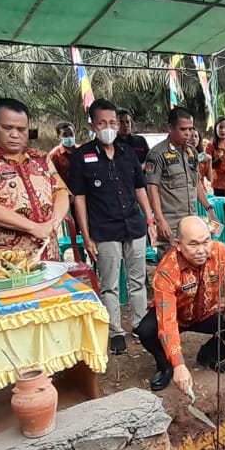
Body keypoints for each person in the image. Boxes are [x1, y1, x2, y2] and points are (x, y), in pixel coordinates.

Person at [67, 98, 158, 355]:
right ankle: (115, 330)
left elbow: (140, 189)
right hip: (104, 229)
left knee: (138, 281)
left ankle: (140, 325)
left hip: (134, 225)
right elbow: (80, 200)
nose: (108, 127)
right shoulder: (81, 156)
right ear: (93, 125)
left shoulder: (127, 152)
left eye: (112, 122)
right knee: (109, 284)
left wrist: (149, 219)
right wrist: (86, 236)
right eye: (102, 122)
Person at [136, 216, 225, 392]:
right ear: (178, 244)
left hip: (206, 312)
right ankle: (166, 366)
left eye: (206, 241)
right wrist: (178, 364)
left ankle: (211, 356)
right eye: (193, 244)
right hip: (175, 316)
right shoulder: (167, 270)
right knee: (145, 331)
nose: (201, 250)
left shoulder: (221, 251)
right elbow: (167, 322)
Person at [0, 98, 69, 262]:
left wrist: (54, 223)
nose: (15, 135)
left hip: (49, 253)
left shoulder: (39, 158)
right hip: (8, 260)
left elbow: (60, 191)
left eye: (21, 129)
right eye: (7, 128)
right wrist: (34, 228)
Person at [146, 107, 212, 256]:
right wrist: (160, 219)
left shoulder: (192, 152)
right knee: (170, 267)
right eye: (183, 129)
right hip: (170, 223)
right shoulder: (158, 154)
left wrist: (209, 209)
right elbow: (152, 189)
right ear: (170, 128)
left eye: (190, 129)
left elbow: (196, 183)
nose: (188, 133)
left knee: (193, 264)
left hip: (191, 221)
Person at [203, 117, 225, 198]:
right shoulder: (211, 146)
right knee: (222, 209)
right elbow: (207, 167)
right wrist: (219, 160)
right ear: (215, 129)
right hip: (219, 185)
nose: (223, 130)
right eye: (220, 127)